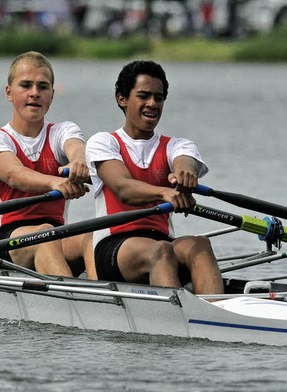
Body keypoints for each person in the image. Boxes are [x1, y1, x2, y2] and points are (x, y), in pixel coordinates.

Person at [85, 60, 223, 294]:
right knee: (161, 250)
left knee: (200, 244)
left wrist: (185, 174)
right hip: (115, 248)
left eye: (158, 98)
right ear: (122, 99)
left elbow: (185, 160)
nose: (152, 104)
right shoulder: (104, 142)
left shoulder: (177, 145)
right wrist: (164, 192)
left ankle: (217, 314)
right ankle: (176, 322)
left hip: (162, 244)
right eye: (143, 96)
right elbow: (122, 188)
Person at [0, 51, 93, 278]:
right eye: (26, 85)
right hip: (6, 241)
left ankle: (107, 300)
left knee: (92, 237)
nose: (34, 93)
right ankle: (76, 300)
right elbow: (15, 175)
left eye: (43, 87)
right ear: (9, 93)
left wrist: (80, 162)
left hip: (55, 233)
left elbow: (76, 148)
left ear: (52, 94)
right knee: (45, 234)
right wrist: (56, 182)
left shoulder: (63, 131)